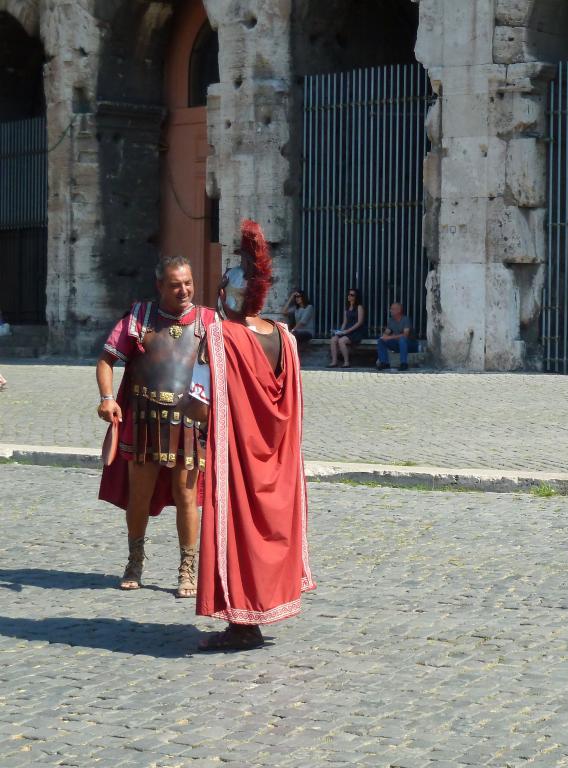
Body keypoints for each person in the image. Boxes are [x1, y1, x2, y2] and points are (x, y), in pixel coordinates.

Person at [187, 219, 315, 651]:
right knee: (266, 528)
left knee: (238, 528)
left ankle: (242, 624)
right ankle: (257, 615)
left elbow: (200, 403)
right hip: (276, 459)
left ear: (228, 295)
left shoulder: (221, 337)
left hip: (239, 454)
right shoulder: (285, 338)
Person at [96, 255, 217, 597]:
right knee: (140, 494)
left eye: (188, 283)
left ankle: (187, 569)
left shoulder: (209, 321)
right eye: (176, 284)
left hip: (190, 422)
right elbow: (106, 359)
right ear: (160, 285)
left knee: (187, 494)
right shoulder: (140, 317)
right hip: (145, 418)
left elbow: (229, 368)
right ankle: (135, 561)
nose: (184, 290)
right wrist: (107, 397)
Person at [328, 288, 366, 368]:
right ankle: (334, 361)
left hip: (356, 331)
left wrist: (347, 331)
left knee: (341, 341)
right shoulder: (347, 308)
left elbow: (359, 322)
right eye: (349, 294)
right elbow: (345, 322)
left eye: (352, 295)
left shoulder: (359, 307)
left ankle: (346, 362)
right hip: (347, 331)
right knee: (333, 339)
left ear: (356, 297)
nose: (349, 296)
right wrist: (340, 331)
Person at [376, 302, 417, 371]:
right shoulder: (391, 320)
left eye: (392, 309)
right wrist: (385, 337)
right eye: (390, 309)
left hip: (410, 345)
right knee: (381, 340)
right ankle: (384, 362)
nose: (390, 310)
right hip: (398, 345)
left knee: (402, 339)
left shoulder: (405, 319)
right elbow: (386, 333)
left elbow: (405, 335)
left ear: (399, 310)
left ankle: (404, 363)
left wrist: (391, 337)